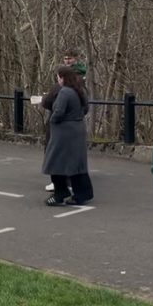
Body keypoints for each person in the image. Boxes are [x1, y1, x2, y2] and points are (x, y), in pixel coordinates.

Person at [42, 66, 94, 206]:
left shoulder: (64, 92)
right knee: (76, 164)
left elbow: (58, 111)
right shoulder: (79, 91)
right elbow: (85, 109)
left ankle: (60, 192)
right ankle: (83, 193)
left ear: (63, 78)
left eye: (58, 77)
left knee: (56, 161)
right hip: (77, 128)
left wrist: (53, 121)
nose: (57, 80)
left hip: (63, 132)